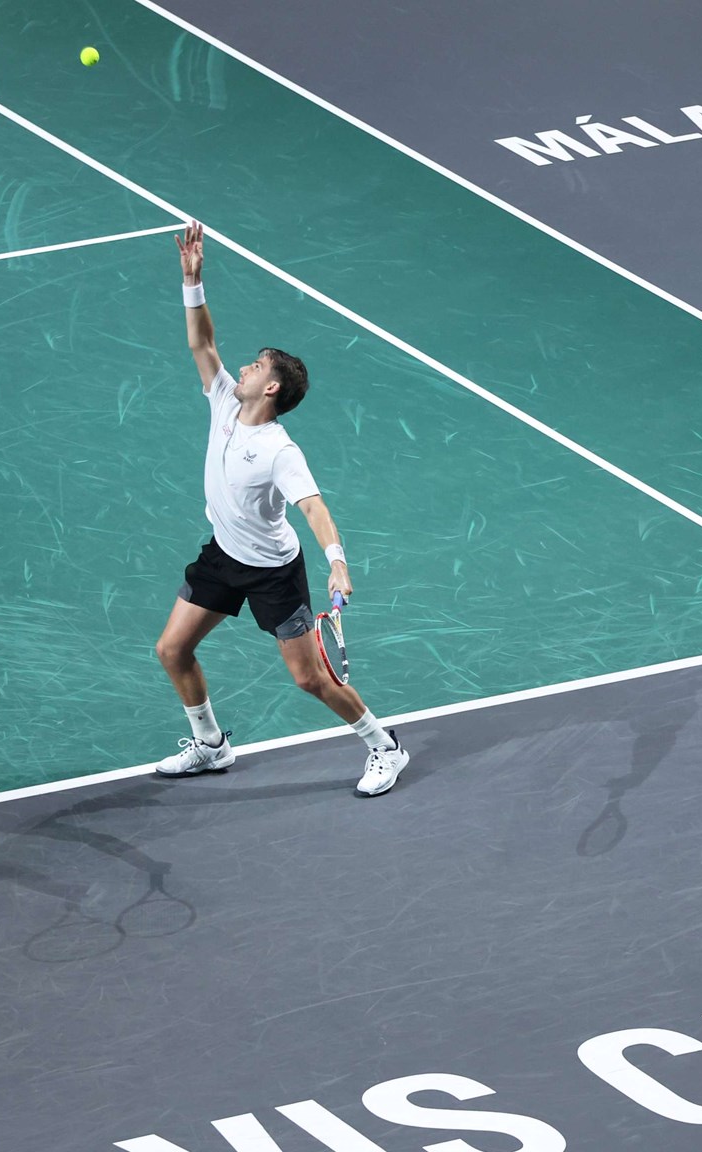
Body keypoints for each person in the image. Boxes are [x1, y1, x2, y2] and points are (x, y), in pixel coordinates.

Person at [152, 221, 411, 797]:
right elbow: (202, 344)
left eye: (256, 367)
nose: (244, 368)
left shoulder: (280, 451)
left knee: (309, 679)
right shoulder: (223, 400)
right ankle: (212, 746)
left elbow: (313, 507)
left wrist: (337, 560)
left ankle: (384, 747)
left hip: (273, 573)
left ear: (271, 390)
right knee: (172, 649)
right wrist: (193, 280)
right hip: (223, 555)